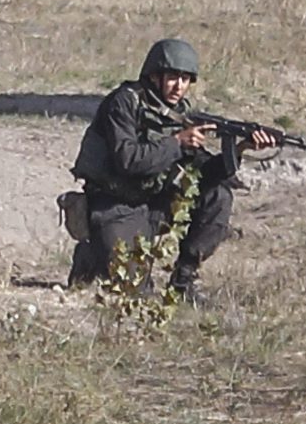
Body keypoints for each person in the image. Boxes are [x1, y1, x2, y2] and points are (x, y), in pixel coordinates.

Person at [65, 38, 274, 300]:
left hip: (152, 203)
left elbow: (202, 173)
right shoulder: (124, 103)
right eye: (173, 77)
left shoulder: (178, 115)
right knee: (135, 292)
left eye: (186, 79)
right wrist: (177, 143)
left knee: (218, 195)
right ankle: (90, 257)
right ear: (154, 76)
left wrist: (240, 148)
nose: (179, 86)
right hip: (113, 205)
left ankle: (183, 282)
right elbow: (128, 160)